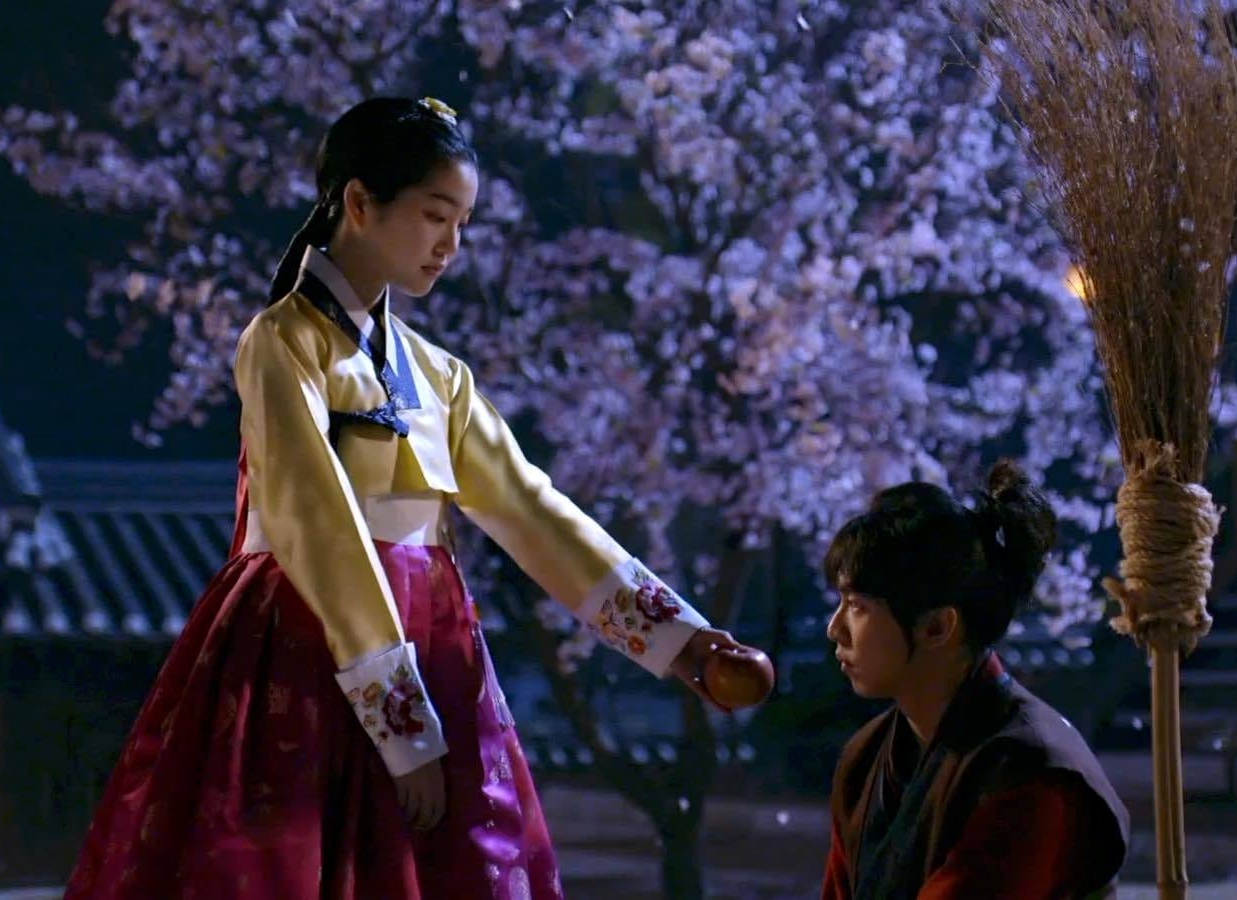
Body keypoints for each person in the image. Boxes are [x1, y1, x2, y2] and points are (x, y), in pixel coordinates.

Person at [68, 96, 757, 899]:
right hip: (307, 631)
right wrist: (400, 721)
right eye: (435, 216)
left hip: (435, 639)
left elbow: (529, 509)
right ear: (360, 203)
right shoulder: (284, 341)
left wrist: (680, 640)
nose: (450, 245)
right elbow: (314, 518)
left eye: (462, 223)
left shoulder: (439, 375)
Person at [820, 462, 1129, 899]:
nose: (835, 628)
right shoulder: (865, 757)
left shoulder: (1030, 773)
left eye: (858, 607)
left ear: (936, 627)